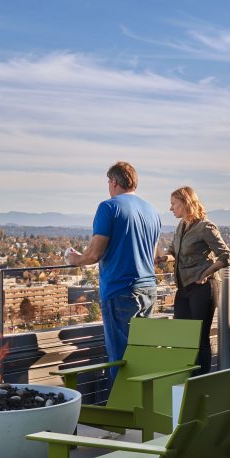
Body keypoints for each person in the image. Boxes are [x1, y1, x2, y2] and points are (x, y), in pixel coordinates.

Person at [66, 161, 161, 381]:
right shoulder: (151, 211)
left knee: (121, 359)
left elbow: (95, 254)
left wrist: (74, 259)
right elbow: (154, 254)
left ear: (114, 182)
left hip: (120, 291)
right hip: (148, 289)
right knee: (140, 355)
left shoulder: (109, 207)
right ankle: (141, 407)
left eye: (109, 182)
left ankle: (120, 410)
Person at [155, 186, 230, 374]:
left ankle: (201, 381)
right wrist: (164, 258)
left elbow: (226, 256)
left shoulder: (205, 227)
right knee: (182, 335)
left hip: (204, 288)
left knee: (200, 338)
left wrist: (206, 273)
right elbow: (174, 252)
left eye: (174, 204)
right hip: (184, 287)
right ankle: (186, 377)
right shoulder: (181, 226)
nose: (171, 208)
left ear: (186, 203)